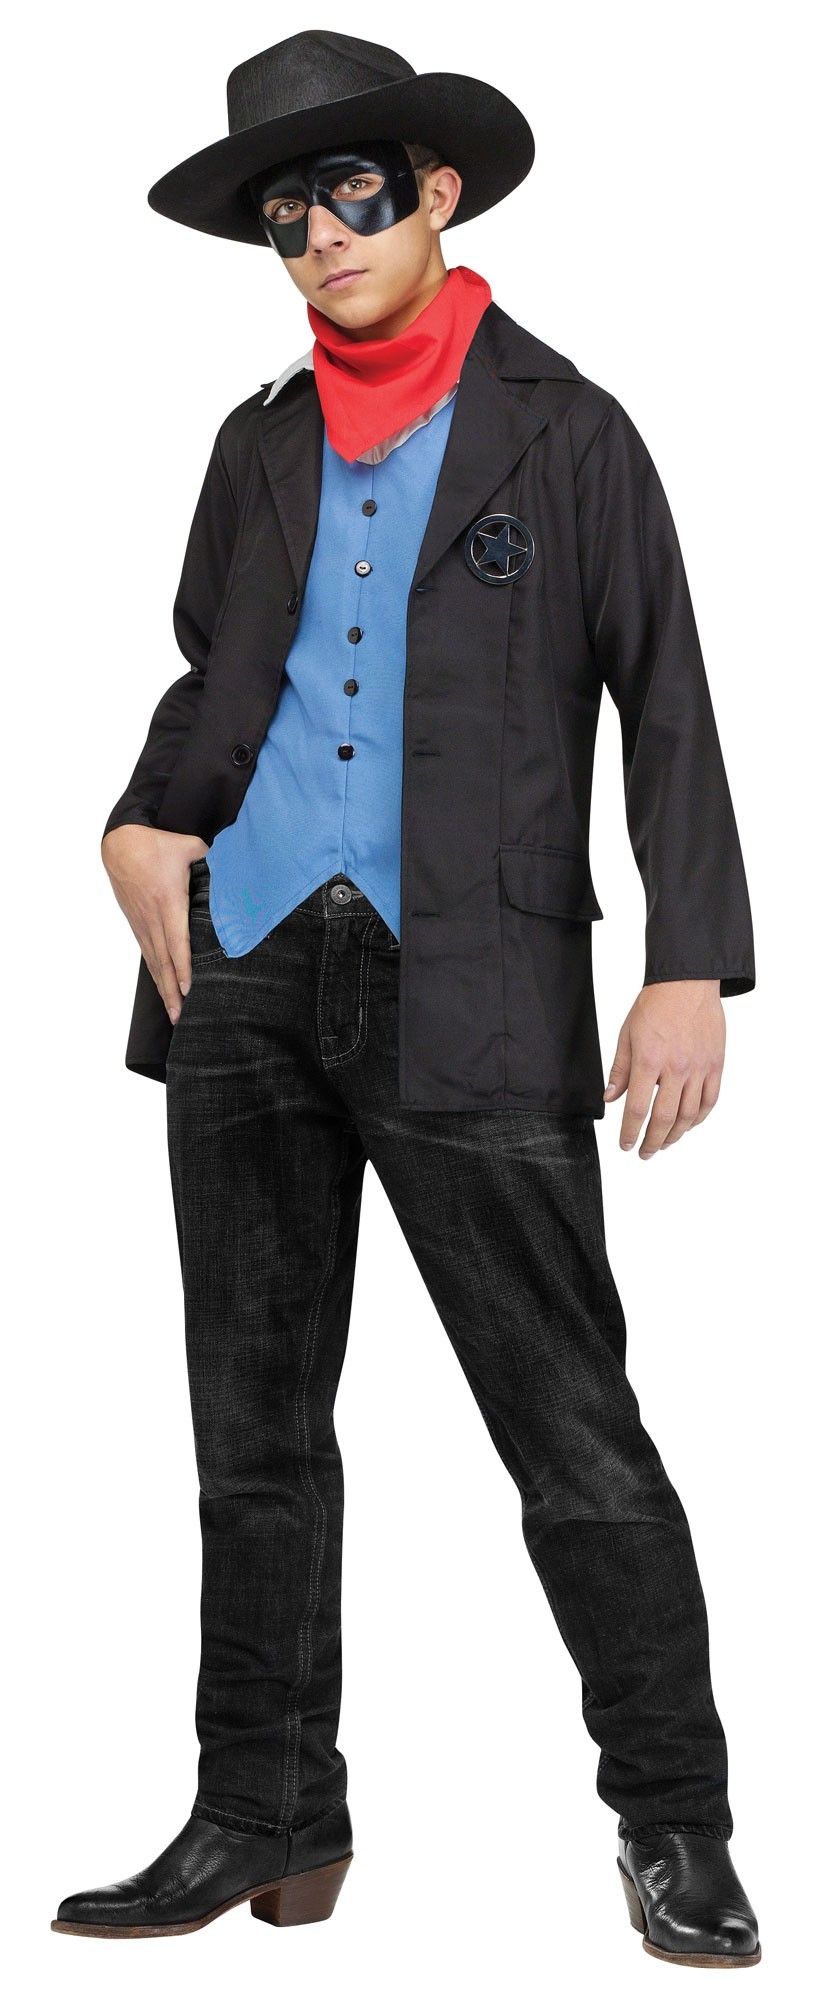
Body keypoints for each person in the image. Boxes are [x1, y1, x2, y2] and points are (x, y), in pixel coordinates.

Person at [52, 29, 761, 1966]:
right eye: (284, 213)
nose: (319, 237)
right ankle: (265, 1808)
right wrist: (139, 821)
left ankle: (674, 1821)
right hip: (245, 966)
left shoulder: (569, 429)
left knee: (573, 1430)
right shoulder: (257, 442)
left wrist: (686, 962)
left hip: (477, 979)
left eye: (351, 194)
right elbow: (215, 672)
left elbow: (668, 696)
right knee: (253, 1431)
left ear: (436, 194)